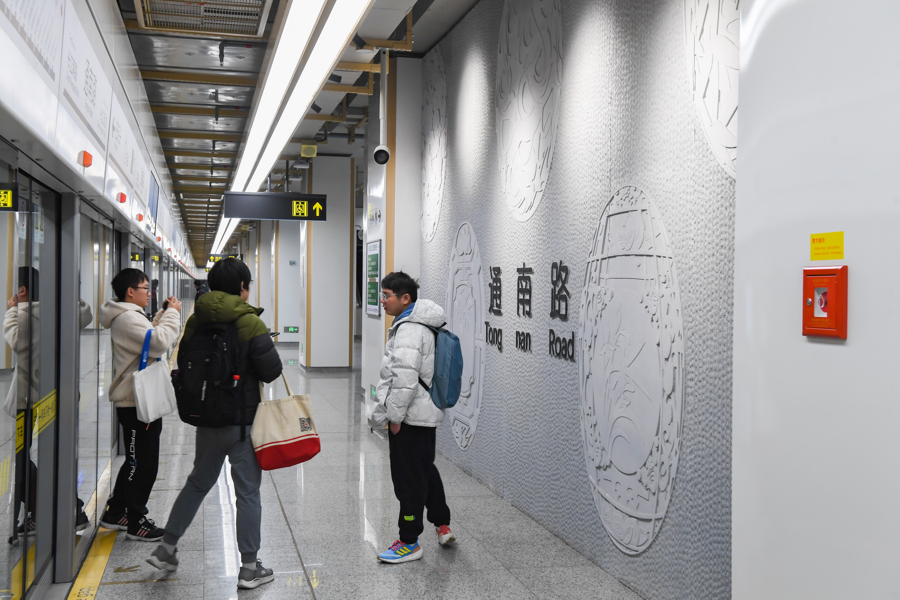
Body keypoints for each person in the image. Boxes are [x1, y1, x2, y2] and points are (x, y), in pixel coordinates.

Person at [147, 258, 282, 590]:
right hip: (242, 425)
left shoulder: (196, 319)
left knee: (197, 483)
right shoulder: (250, 322)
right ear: (242, 288)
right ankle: (249, 568)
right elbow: (271, 371)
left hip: (206, 419)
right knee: (247, 492)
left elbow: (184, 361)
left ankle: (167, 548)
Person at [368, 271, 455, 564]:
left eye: (386, 295)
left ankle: (409, 542)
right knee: (424, 469)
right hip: (424, 413)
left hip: (409, 416)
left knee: (408, 481)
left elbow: (404, 381)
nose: (382, 300)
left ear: (405, 298)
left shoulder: (408, 330)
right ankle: (442, 523)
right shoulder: (422, 324)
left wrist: (394, 417)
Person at [98, 269, 182, 541]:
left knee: (136, 461)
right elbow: (158, 343)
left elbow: (147, 337)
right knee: (143, 465)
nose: (149, 293)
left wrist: (162, 314)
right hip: (136, 403)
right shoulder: (126, 318)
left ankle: (115, 512)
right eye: (145, 288)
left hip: (138, 401)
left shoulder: (129, 316)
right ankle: (136, 522)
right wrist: (173, 314)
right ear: (130, 292)